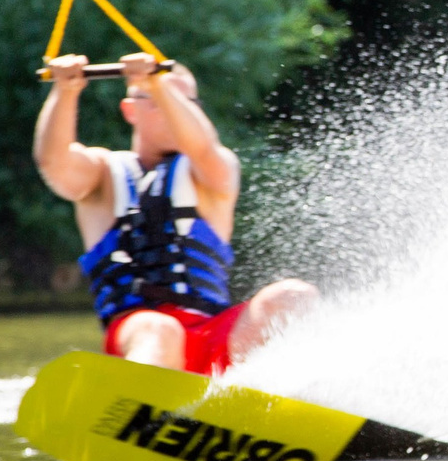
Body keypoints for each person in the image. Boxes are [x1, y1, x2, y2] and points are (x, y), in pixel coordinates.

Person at [34, 51, 315, 374]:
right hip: (138, 336)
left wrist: (158, 85)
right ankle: (144, 406)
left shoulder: (215, 171)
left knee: (294, 296)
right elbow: (53, 163)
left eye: (182, 101)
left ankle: (297, 405)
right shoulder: (99, 176)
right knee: (159, 330)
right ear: (130, 110)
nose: (171, 108)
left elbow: (201, 146)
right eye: (155, 98)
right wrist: (65, 91)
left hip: (215, 338)